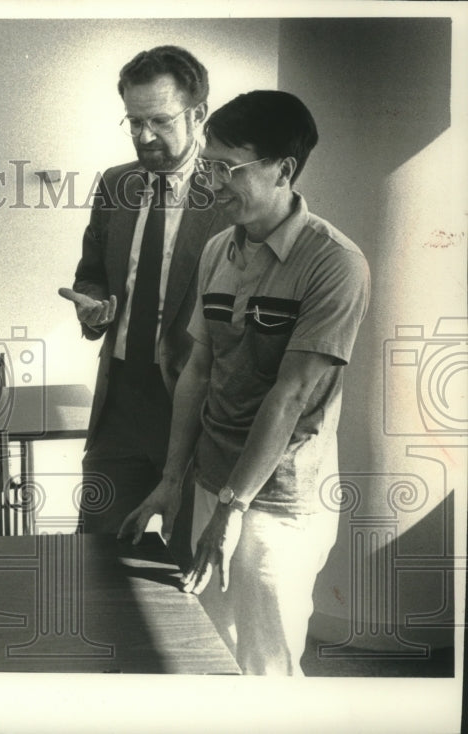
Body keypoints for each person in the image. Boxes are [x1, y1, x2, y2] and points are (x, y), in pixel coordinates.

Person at [119, 90, 370, 675]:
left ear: (283, 169)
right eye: (207, 166)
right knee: (212, 651)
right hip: (214, 481)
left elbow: (291, 397)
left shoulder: (335, 263)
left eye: (226, 169)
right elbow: (198, 372)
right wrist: (171, 480)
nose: (212, 182)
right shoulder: (217, 250)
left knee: (267, 666)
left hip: (279, 502)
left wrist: (231, 513)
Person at [58, 46, 230, 548]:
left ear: (198, 114)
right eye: (133, 121)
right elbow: (92, 273)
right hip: (120, 404)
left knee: (183, 565)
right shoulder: (116, 185)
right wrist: (91, 308)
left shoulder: (228, 195)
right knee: (96, 555)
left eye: (158, 120)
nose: (144, 135)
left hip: (195, 406)